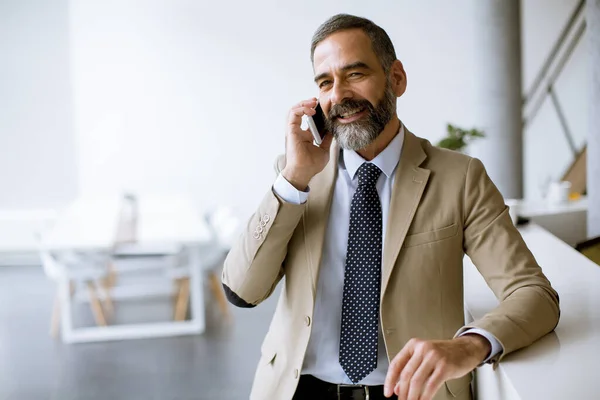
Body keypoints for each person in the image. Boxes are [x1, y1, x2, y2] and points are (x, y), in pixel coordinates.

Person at [222, 13, 560, 400]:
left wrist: (470, 345)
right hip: (297, 389)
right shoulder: (297, 177)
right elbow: (241, 292)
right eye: (325, 82)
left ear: (395, 78)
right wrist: (294, 180)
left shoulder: (459, 178)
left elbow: (533, 293)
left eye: (355, 74)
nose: (339, 95)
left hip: (412, 393)